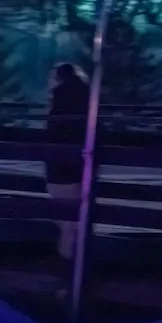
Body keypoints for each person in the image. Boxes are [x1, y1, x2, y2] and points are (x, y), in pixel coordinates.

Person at [46, 63, 91, 262]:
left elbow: (55, 129)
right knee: (76, 213)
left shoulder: (61, 98)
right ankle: (77, 257)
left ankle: (68, 258)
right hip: (82, 162)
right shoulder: (88, 96)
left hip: (61, 165)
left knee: (64, 215)